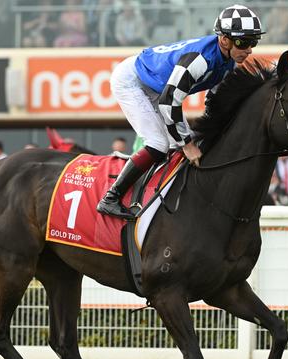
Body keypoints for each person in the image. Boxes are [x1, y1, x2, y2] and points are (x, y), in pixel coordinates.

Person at [97, 4, 265, 218]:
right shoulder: (201, 59)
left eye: (254, 42)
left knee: (180, 142)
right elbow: (169, 102)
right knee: (159, 144)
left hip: (158, 88)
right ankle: (110, 197)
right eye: (244, 42)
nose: (249, 49)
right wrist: (188, 145)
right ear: (224, 40)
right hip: (133, 81)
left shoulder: (228, 63)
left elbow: (214, 102)